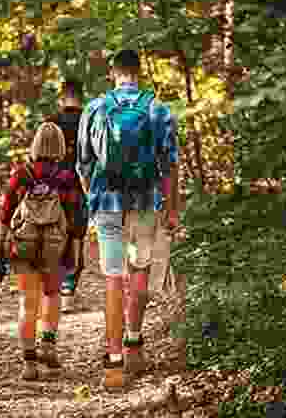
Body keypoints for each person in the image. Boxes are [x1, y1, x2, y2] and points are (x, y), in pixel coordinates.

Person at [76, 49, 180, 388]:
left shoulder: (95, 108)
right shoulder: (157, 109)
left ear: (113, 73)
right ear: (140, 72)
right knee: (139, 270)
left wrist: (92, 195)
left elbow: (83, 163)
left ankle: (114, 362)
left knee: (112, 278)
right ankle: (134, 342)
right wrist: (173, 206)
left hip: (107, 201)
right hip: (146, 201)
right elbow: (170, 163)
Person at [0, 122, 83, 380]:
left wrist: (0, 243)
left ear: (34, 145)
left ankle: (29, 364)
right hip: (56, 247)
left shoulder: (21, 174)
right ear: (60, 147)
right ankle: (48, 345)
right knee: (53, 294)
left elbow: (5, 211)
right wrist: (75, 250)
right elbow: (75, 219)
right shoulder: (67, 177)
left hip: (23, 245)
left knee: (27, 302)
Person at [44, 79, 89, 313]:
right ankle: (69, 292)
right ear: (81, 97)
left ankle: (54, 290)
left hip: (54, 189)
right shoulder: (89, 119)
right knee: (77, 237)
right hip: (81, 187)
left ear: (61, 98)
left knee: (56, 236)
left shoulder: (51, 122)